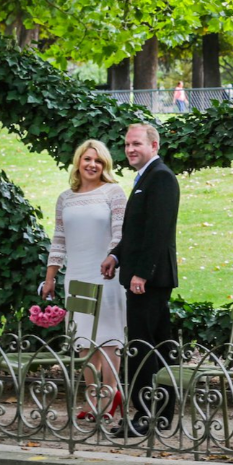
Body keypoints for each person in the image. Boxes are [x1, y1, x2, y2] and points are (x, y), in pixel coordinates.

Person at [102, 123, 180, 436]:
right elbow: (136, 233)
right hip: (143, 277)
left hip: (149, 281)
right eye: (127, 145)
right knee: (156, 347)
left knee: (144, 349)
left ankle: (146, 416)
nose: (130, 149)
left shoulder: (160, 177)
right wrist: (116, 255)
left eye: (136, 144)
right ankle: (159, 416)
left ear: (154, 145)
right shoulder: (145, 177)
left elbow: (158, 232)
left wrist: (141, 273)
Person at [41, 139, 127, 421]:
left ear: (105, 165)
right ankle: (92, 397)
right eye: (87, 159)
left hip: (106, 274)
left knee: (108, 339)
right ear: (78, 161)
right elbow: (59, 239)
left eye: (98, 161)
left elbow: (120, 233)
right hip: (75, 274)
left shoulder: (113, 193)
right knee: (85, 341)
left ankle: (111, 392)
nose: (92, 164)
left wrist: (113, 257)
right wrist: (51, 276)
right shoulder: (65, 198)